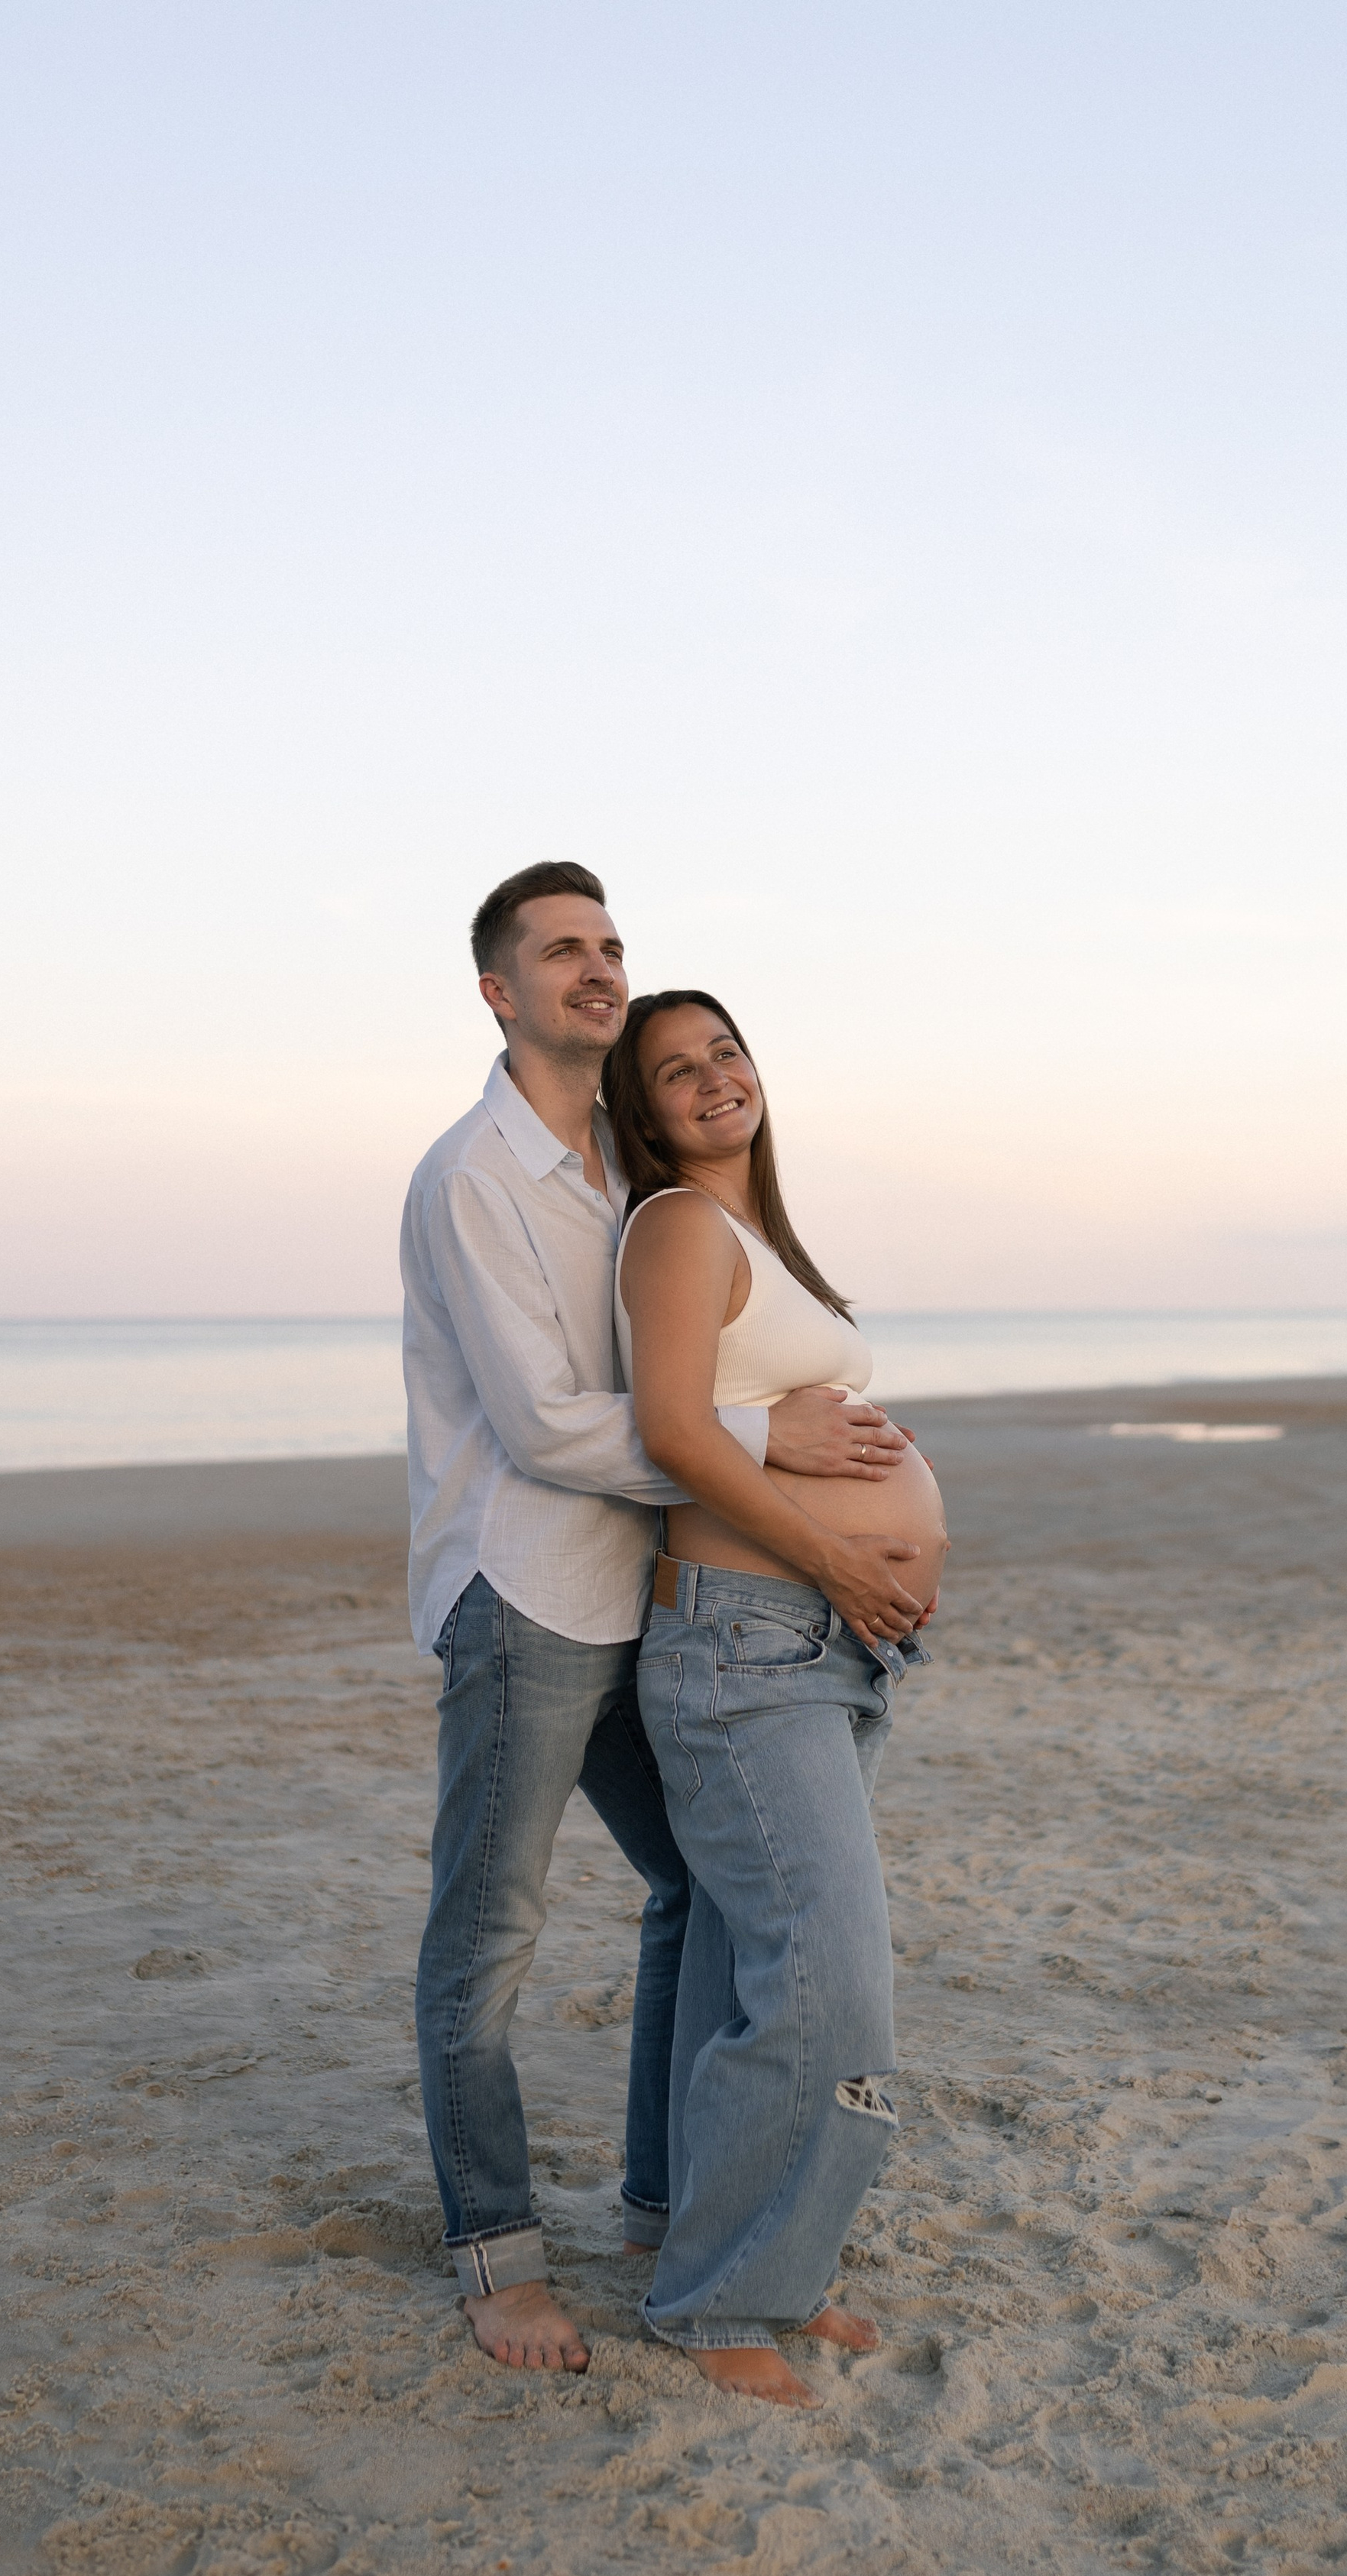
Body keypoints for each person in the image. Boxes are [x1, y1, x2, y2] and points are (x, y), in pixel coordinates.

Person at [400, 864, 919, 2374]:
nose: (595, 966)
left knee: (698, 1884)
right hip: (523, 1592)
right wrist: (779, 1453)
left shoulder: (627, 1174)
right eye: (560, 950)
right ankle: (495, 2255)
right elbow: (553, 1425)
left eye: (609, 942)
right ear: (498, 989)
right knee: (486, 1933)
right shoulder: (473, 1178)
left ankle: (665, 2211)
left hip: (644, 1592)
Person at [603, 987, 948, 2406]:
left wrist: (873, 1469)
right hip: (751, 1650)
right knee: (827, 1983)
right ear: (645, 1110)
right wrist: (835, 1553)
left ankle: (758, 2267)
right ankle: (719, 2298)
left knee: (765, 1964)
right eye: (675, 1070)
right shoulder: (676, 1226)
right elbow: (674, 1428)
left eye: (726, 1051)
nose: (710, 1078)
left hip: (822, 1651)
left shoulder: (757, 1241)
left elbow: (774, 1412)